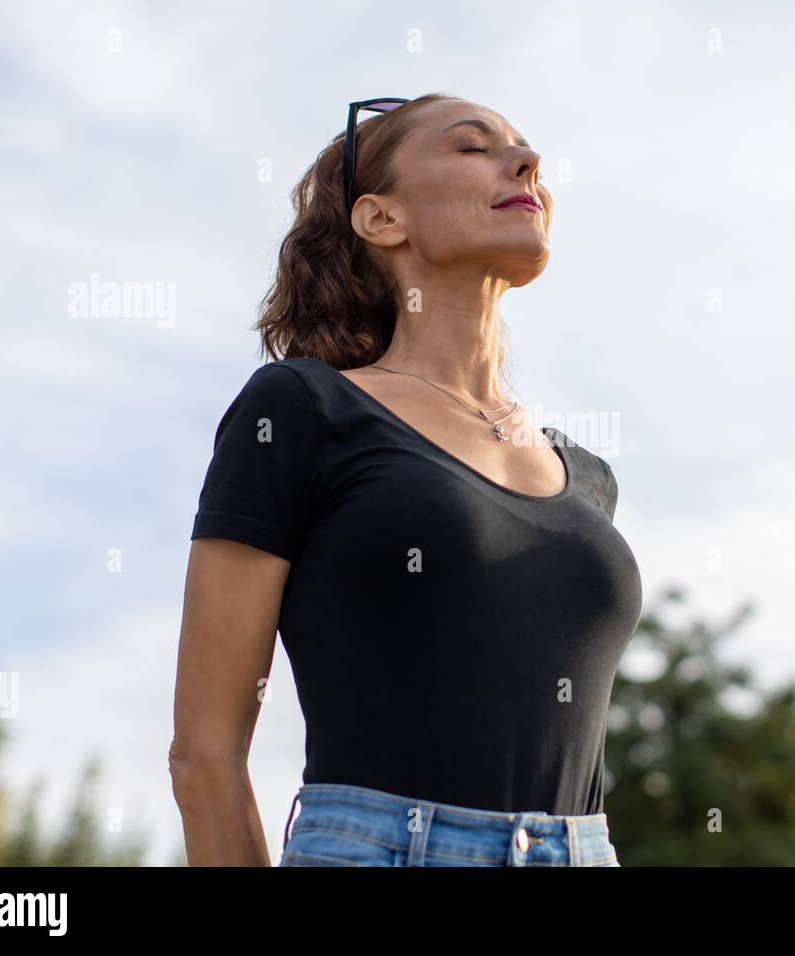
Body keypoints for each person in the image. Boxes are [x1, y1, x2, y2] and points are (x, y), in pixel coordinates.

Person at [169, 93, 642, 866]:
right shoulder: (300, 409)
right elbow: (204, 757)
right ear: (380, 219)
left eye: (524, 149)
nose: (527, 163)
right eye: (471, 147)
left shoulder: (589, 481)